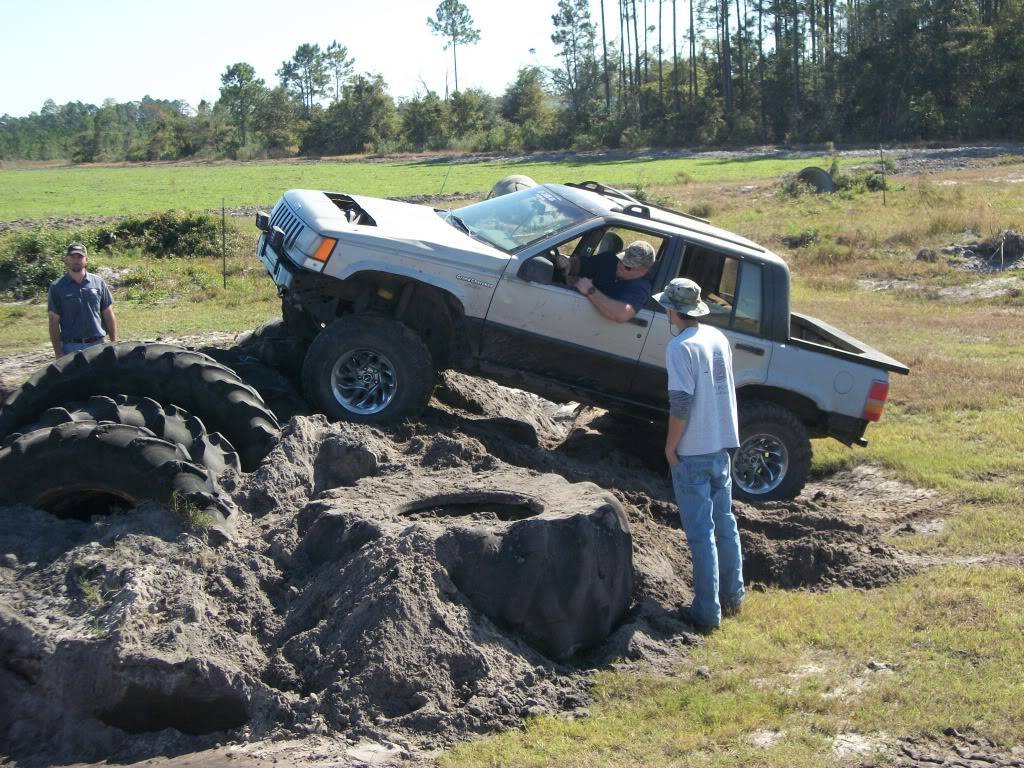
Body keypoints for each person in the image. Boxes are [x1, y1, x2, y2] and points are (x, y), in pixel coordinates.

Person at [654, 277, 743, 630]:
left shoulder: (679, 348)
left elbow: (681, 403)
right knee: (726, 526)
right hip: (721, 446)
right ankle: (733, 597)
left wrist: (671, 445)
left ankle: (707, 613)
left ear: (673, 310)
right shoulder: (716, 338)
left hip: (692, 451)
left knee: (701, 534)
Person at [48, 243, 117, 358]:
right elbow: (53, 321)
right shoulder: (57, 287)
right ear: (66, 259)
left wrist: (114, 342)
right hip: (71, 347)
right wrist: (58, 352)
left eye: (80, 257)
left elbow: (108, 313)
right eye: (72, 257)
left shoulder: (98, 283)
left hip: (98, 344)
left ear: (86, 260)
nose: (76, 260)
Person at [574, 239, 655, 323]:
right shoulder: (610, 259)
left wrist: (590, 290)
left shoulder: (640, 288)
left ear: (644, 270)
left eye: (628, 266)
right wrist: (568, 264)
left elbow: (622, 315)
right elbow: (580, 265)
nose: (620, 266)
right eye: (621, 260)